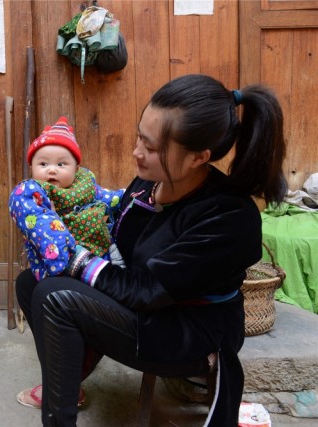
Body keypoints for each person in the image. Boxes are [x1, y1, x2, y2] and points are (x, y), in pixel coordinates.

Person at [16, 74, 287, 426]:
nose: (137, 152)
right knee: (31, 283)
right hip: (146, 301)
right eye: (139, 138)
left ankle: (59, 414)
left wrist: (74, 258)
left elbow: (146, 290)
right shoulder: (150, 182)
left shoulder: (229, 217)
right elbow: (121, 247)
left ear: (198, 157)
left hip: (188, 329)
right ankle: (69, 377)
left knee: (55, 295)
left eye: (152, 147)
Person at [9, 116, 124, 283]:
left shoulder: (85, 185)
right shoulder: (32, 191)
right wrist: (64, 252)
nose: (52, 170)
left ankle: (113, 272)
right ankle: (66, 255)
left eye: (61, 164)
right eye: (43, 164)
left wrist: (133, 196)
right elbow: (34, 216)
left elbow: (110, 199)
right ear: (31, 168)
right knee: (23, 198)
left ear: (76, 169)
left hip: (100, 255)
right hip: (58, 261)